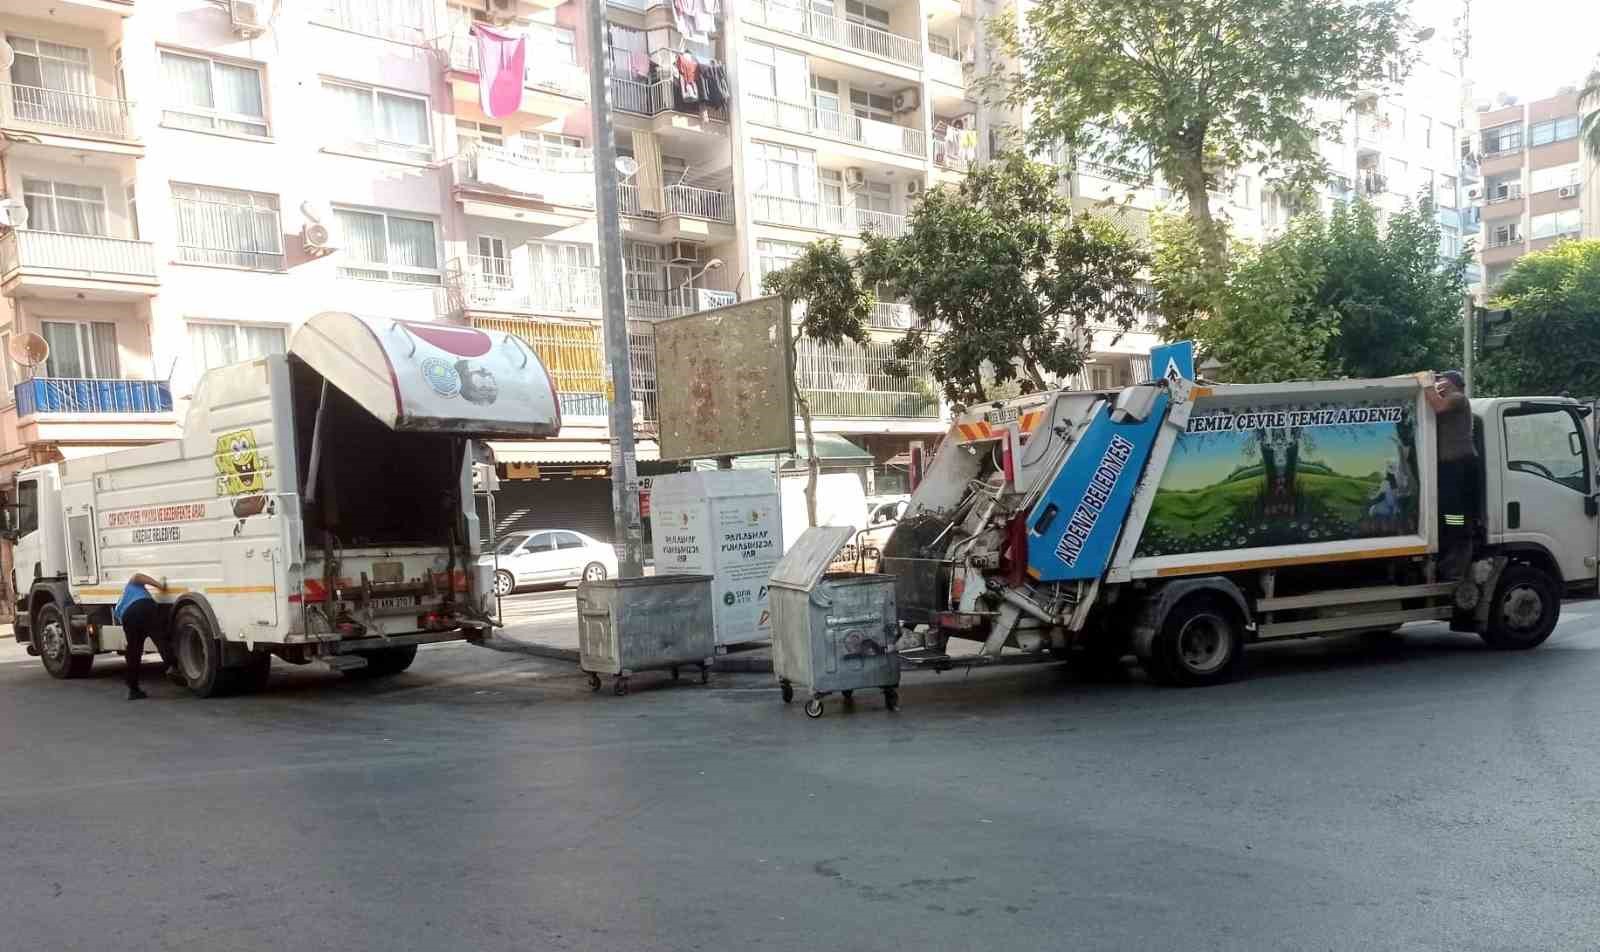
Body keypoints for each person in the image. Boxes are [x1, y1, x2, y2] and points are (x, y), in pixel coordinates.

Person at [1420, 369, 1476, 579]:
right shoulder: (1451, 398)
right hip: (1450, 465)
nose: (1438, 383)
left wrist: (1425, 383)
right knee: (1448, 509)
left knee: (1455, 513)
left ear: (1452, 382)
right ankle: (1450, 544)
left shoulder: (1457, 399)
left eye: (1440, 379)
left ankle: (1457, 546)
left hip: (1458, 464)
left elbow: (1438, 406)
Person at [115, 572, 167, 700]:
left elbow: (122, 622)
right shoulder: (130, 587)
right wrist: (160, 586)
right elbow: (137, 576)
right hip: (143, 607)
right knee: (160, 639)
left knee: (133, 652)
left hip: (128, 617)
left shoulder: (119, 607)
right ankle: (173, 667)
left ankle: (133, 689)